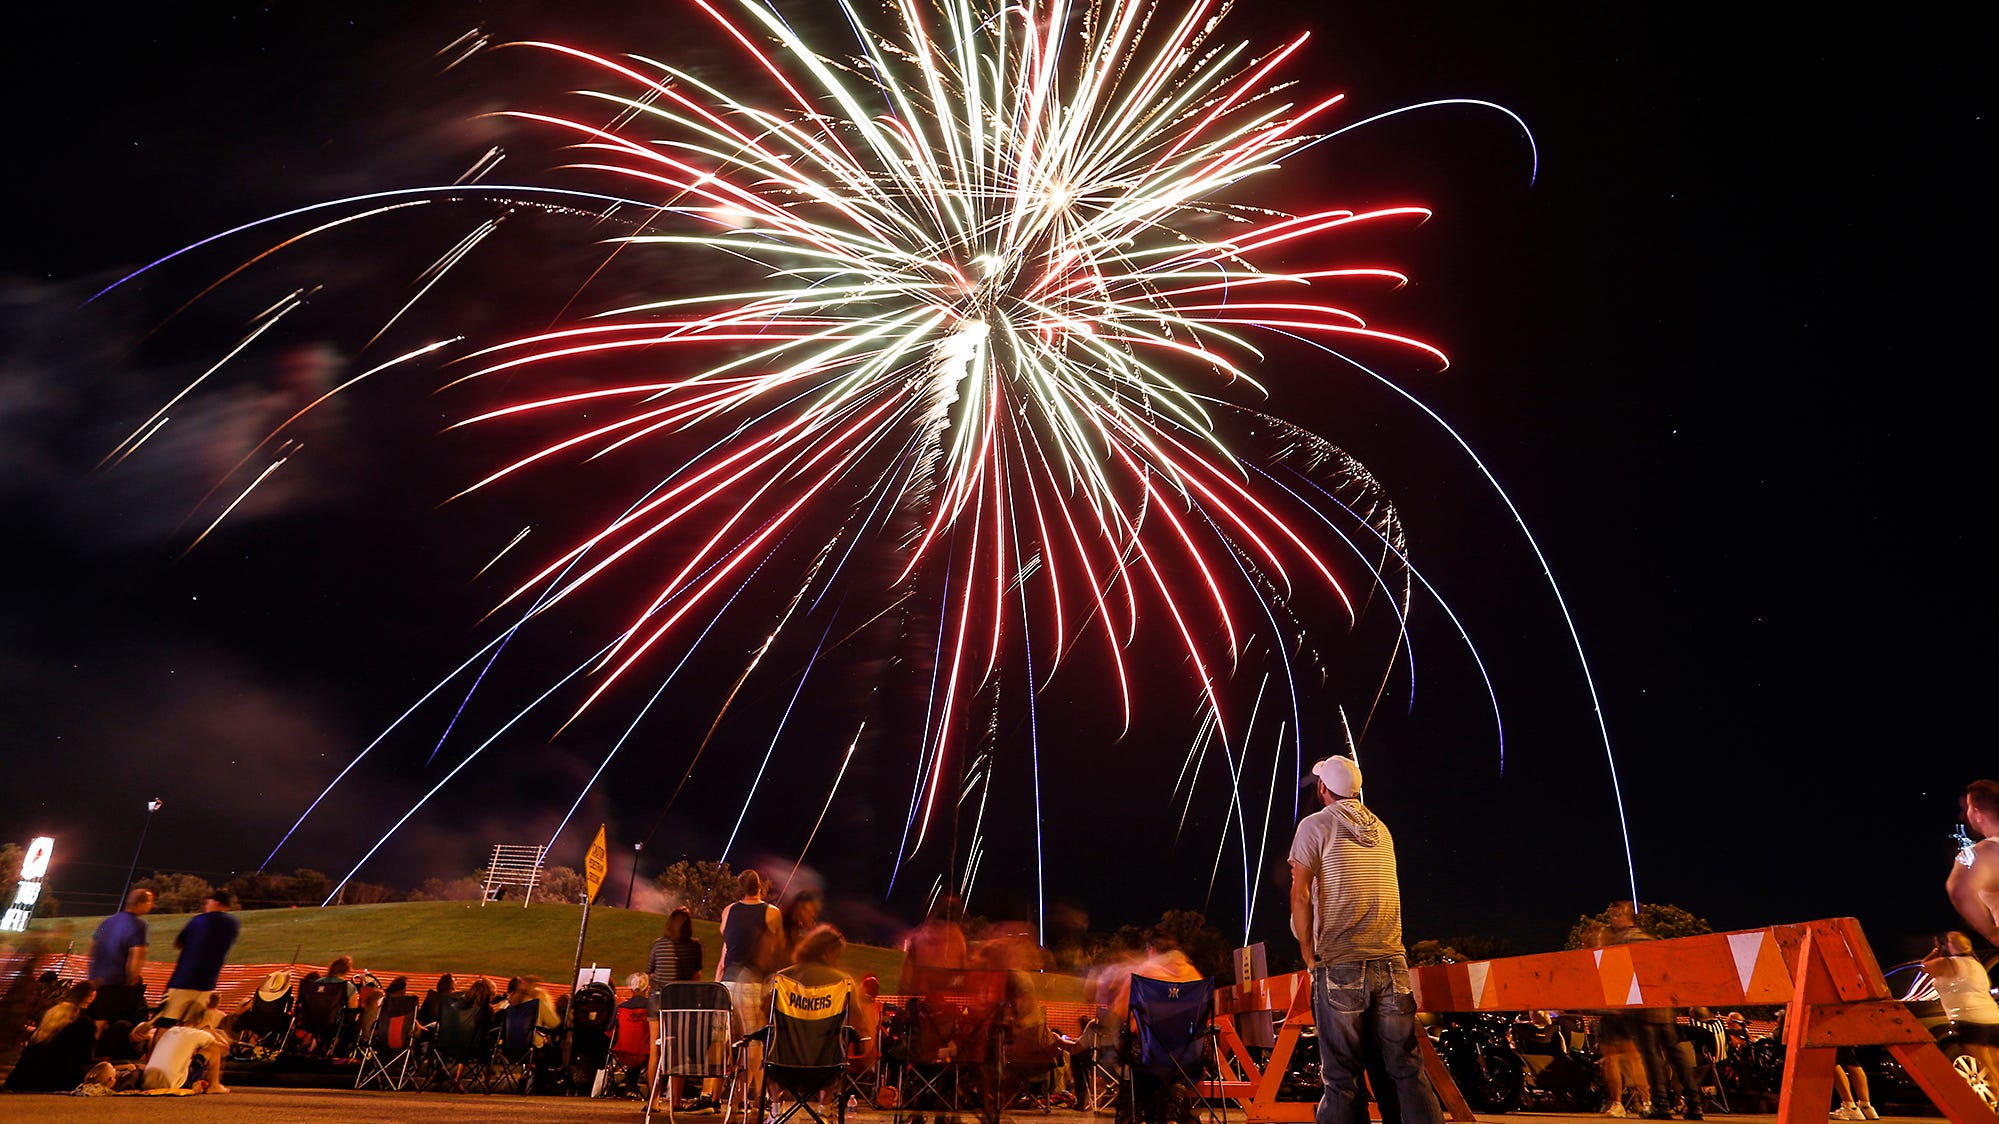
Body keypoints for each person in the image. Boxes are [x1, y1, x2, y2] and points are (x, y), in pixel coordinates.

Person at [1288, 754, 1443, 1124]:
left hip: (1341, 960)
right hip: (1392, 961)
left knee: (1342, 1076)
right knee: (1406, 1068)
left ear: (1324, 788)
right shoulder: (1382, 829)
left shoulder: (1315, 825)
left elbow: (1300, 894)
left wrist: (1308, 954)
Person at [718, 869, 784, 1096]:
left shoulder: (729, 911)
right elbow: (778, 947)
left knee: (727, 1039)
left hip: (728, 982)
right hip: (752, 982)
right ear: (760, 887)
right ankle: (757, 1092)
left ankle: (715, 1094)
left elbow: (725, 939)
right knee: (755, 1038)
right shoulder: (772, 912)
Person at [1923, 931, 1999, 1086]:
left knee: (1988, 1068)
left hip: (1968, 1020)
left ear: (1949, 945)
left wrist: (1935, 952)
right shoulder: (1976, 964)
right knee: (1994, 1066)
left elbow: (1924, 967)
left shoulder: (1948, 963)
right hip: (1993, 1018)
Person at [159, 889, 239, 1027]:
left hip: (183, 980)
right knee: (191, 1025)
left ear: (216, 902)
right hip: (207, 983)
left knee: (166, 1022)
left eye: (208, 902)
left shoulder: (199, 920)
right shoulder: (233, 924)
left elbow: (179, 942)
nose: (206, 906)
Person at [4, 981, 99, 1092]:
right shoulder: (84, 1023)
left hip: (25, 1077)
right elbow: (84, 1057)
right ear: (90, 998)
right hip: (58, 1079)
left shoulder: (53, 1014)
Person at [86, 887, 154, 1032]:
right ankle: (92, 1051)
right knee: (104, 1021)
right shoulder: (139, 925)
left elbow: (92, 948)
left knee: (94, 1016)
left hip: (97, 978)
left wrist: (92, 974)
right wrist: (133, 978)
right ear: (140, 903)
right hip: (116, 980)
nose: (151, 906)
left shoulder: (108, 922)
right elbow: (136, 954)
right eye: (150, 902)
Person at [1948, 779, 1999, 945]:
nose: (1962, 815)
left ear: (1977, 813)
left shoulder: (1982, 853)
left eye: (1966, 808)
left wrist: (1992, 933)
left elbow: (1959, 889)